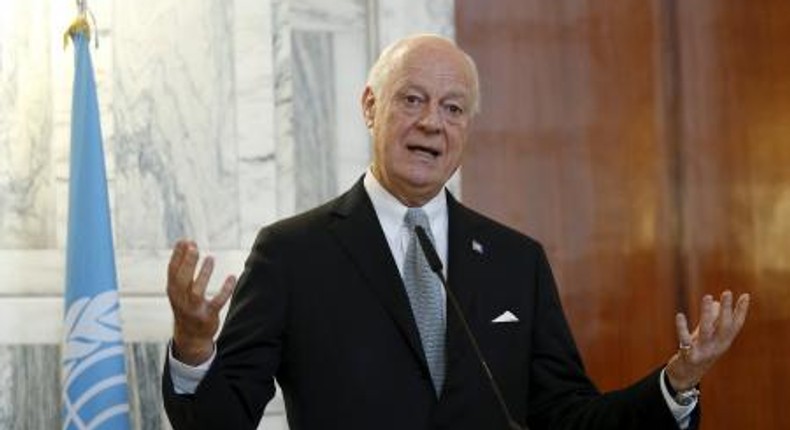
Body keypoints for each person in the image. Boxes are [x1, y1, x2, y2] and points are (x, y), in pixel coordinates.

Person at [162, 34, 750, 429]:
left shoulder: (516, 260)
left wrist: (677, 381)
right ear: (371, 107)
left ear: (468, 125)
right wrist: (193, 346)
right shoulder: (293, 253)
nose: (431, 123)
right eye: (411, 99)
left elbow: (569, 417)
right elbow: (217, 420)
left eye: (452, 108)